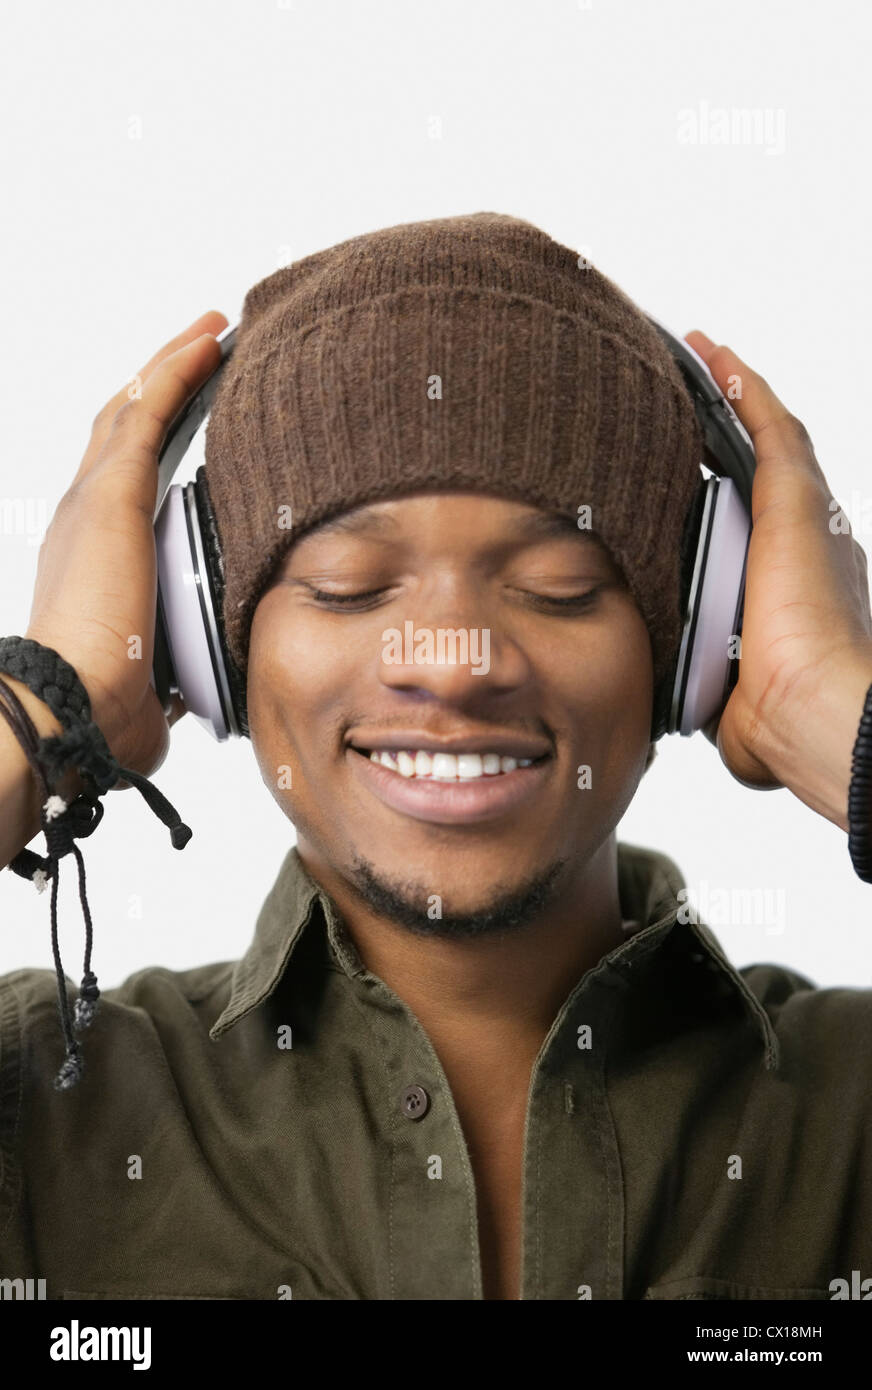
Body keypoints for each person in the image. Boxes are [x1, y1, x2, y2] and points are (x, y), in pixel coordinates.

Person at [1, 213, 871, 1302]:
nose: (453, 665)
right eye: (348, 585)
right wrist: (48, 704)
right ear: (207, 641)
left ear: (692, 644)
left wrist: (831, 712)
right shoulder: (42, 1103)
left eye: (558, 585)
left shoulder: (850, 1109)